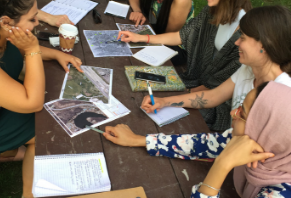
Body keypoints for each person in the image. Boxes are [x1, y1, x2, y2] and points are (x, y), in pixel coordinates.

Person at [119, 0, 252, 129]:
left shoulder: (246, 33)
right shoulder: (212, 11)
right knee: (135, 78)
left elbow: (220, 91)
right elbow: (183, 35)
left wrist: (177, 94)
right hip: (195, 84)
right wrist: (142, 38)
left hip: (217, 107)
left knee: (154, 113)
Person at [103, 81, 291, 198]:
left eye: (243, 112)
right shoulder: (265, 148)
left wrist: (222, 164)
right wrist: (139, 140)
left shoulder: (281, 192)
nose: (233, 112)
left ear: (270, 132)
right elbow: (203, 144)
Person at [0, 0, 82, 198]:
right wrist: (33, 50)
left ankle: (20, 171)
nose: (38, 24)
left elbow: (17, 52)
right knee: (44, 126)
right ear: (5, 22)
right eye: (32, 20)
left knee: (48, 121)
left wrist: (56, 53)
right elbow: (32, 102)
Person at [139, 5, 291, 131]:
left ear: (264, 45)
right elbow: (213, 96)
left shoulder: (282, 95)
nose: (236, 42)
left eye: (243, 38)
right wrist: (164, 102)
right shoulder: (248, 69)